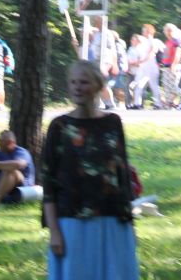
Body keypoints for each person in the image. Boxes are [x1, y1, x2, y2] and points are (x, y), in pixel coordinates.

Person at [44, 60, 138, 280]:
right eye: (73, 82)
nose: (77, 87)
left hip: (113, 218)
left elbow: (122, 173)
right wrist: (54, 231)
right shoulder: (59, 127)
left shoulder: (113, 123)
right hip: (72, 220)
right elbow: (48, 181)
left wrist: (130, 221)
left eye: (84, 82)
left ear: (98, 86)